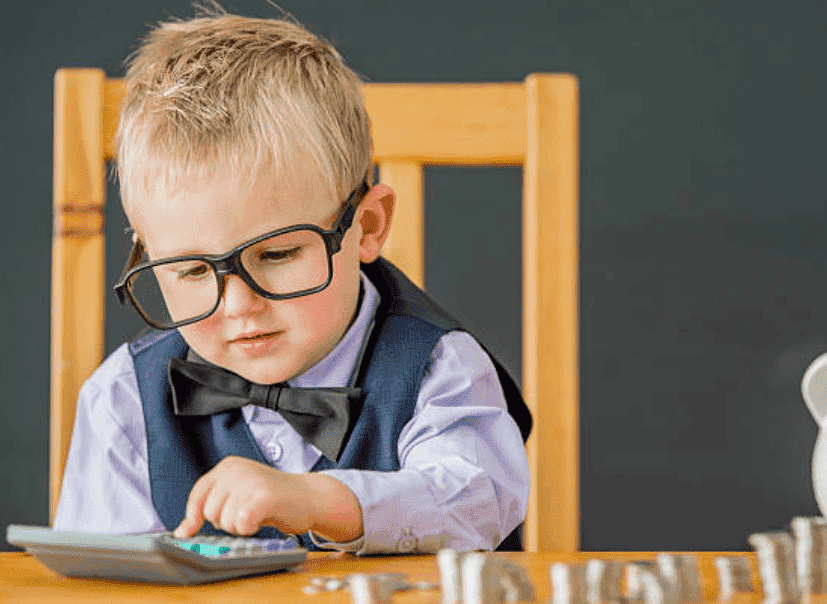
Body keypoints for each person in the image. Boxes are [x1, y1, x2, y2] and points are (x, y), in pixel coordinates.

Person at [52, 2, 531, 555]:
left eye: (277, 255)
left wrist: (322, 501)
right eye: (188, 270)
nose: (237, 305)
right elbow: (98, 580)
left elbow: (478, 501)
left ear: (367, 226)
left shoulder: (437, 368)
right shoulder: (124, 399)